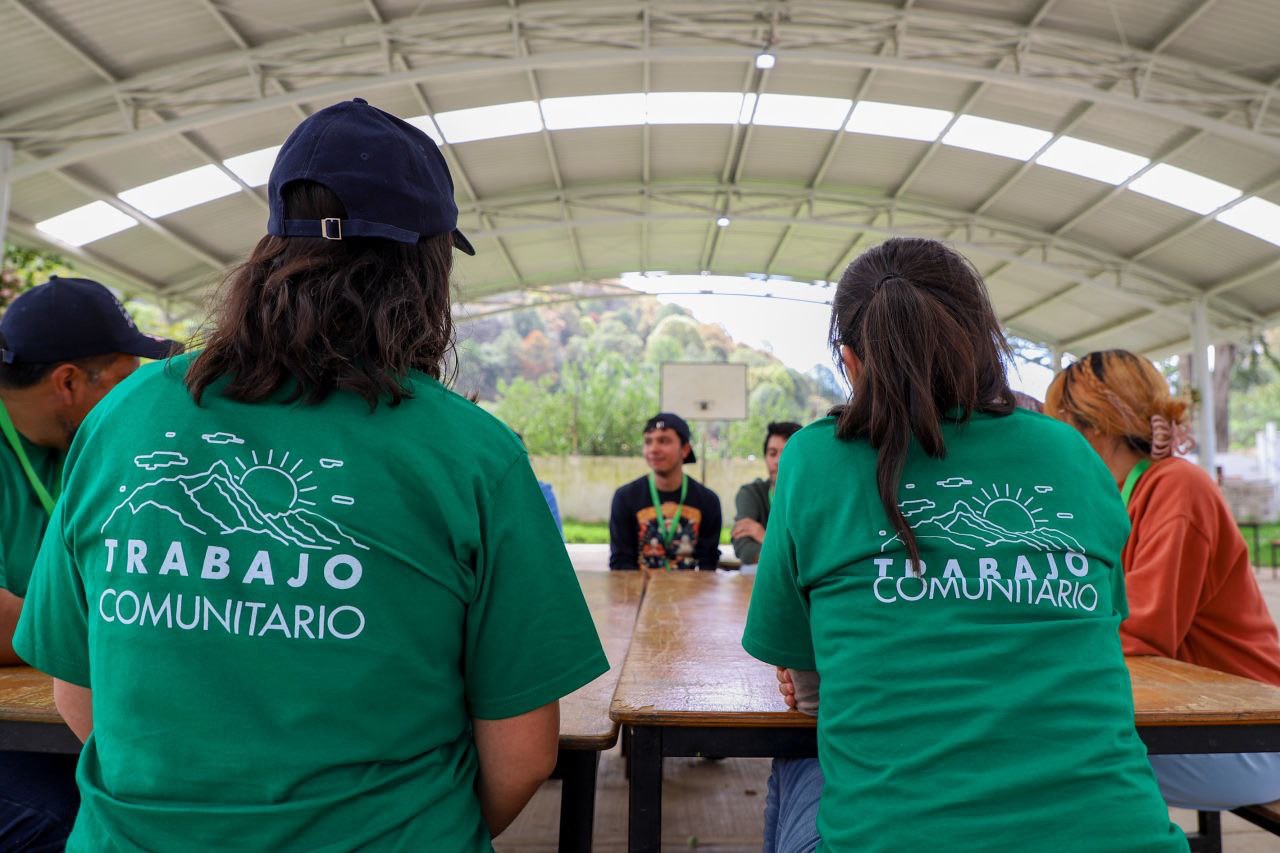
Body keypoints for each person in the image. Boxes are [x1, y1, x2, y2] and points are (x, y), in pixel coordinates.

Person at [14, 98, 608, 851]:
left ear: (271, 245)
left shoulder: (123, 416)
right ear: (425, 268)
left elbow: (80, 691)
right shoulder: (474, 454)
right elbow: (522, 754)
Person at [742, 237, 1186, 852]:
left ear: (849, 360)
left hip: (900, 838)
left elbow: (810, 691)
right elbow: (1098, 629)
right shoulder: (1072, 453)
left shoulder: (815, 456)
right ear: (982, 341)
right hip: (1125, 837)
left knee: (797, 762)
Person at [1045, 349, 1280, 811]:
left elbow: (1142, 626)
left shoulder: (1177, 488)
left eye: (1058, 424)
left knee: (1048, 751)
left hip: (1253, 731)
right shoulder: (1122, 493)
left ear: (1091, 426)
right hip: (1200, 718)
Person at [0, 275, 179, 849]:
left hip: (46, 723)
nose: (137, 398)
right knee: (62, 817)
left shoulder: (84, 448)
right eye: (126, 380)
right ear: (70, 382)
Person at [608, 413, 721, 570]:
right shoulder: (625, 498)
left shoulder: (708, 501)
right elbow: (621, 562)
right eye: (648, 442)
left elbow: (708, 563)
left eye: (663, 441)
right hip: (639, 592)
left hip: (691, 592)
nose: (653, 449)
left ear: (685, 449)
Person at [731, 421, 802, 567]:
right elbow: (744, 550)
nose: (778, 461)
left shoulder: (814, 499)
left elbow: (812, 556)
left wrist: (762, 535)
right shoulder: (751, 493)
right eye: (772, 453)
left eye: (786, 453)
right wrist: (791, 555)